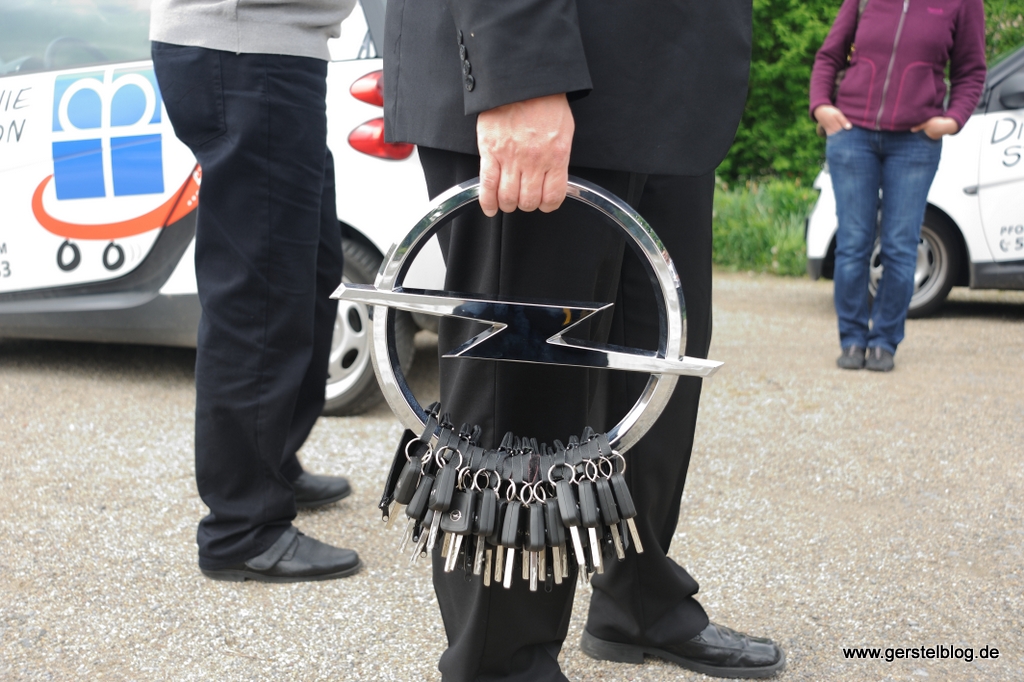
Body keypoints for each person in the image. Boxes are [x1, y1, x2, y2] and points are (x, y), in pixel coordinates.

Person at [384, 1, 785, 679]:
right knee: (522, 393)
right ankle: (500, 666)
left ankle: (637, 597)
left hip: (664, 85)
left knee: (656, 378)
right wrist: (518, 71)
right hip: (544, 70)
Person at [149, 0, 362, 582]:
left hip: (272, 48)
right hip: (247, 45)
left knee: (310, 273)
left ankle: (269, 463)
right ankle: (243, 528)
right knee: (260, 296)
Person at [810, 0, 986, 372]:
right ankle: (852, 339)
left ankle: (884, 342)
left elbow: (971, 71)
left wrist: (952, 120)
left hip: (915, 142)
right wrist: (821, 106)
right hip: (852, 135)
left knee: (900, 246)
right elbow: (829, 55)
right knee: (853, 243)